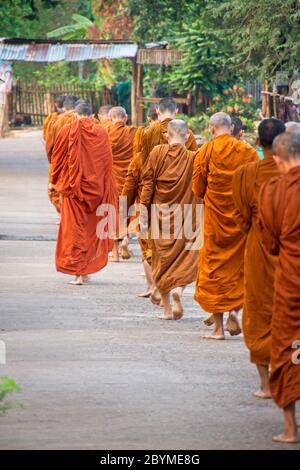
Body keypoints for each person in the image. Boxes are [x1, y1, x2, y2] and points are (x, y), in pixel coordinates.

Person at [193, 112, 258, 339]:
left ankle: (218, 329)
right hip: (240, 221)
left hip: (215, 221)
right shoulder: (248, 151)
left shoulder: (206, 151)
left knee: (214, 270)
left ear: (211, 129)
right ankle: (235, 311)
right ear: (231, 128)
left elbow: (198, 189)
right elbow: (256, 185)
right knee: (240, 267)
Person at [232, 118, 286, 398]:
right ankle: (289, 380)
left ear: (258, 142)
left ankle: (266, 384)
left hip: (258, 250)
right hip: (292, 255)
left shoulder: (245, 173)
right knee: (290, 316)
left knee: (258, 311)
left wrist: (255, 231)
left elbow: (240, 217)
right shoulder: (292, 176)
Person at [259, 131, 300, 443]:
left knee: (287, 348)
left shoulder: (274, 189)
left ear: (276, 159)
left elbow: (271, 243)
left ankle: (290, 429)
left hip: (290, 279)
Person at [50, 101, 118, 285]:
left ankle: (78, 274)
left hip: (72, 190)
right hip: (96, 190)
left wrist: (54, 181)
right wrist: (105, 187)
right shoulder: (102, 132)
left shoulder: (67, 130)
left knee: (74, 230)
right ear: (92, 115)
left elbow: (57, 160)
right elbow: (106, 162)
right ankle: (85, 271)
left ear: (75, 114)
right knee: (90, 230)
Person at [140, 120, 199, 320]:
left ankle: (166, 311)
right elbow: (202, 187)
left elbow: (147, 183)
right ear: (188, 136)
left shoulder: (157, 152)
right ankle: (179, 291)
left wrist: (143, 213)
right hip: (188, 216)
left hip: (160, 215)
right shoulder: (194, 157)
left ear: (166, 136)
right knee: (186, 258)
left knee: (161, 260)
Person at [122, 106, 159, 297]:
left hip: (143, 207)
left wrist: (123, 214)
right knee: (167, 247)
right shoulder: (178, 156)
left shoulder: (139, 158)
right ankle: (167, 289)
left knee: (147, 248)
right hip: (174, 207)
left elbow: (129, 187)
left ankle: (151, 286)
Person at [107, 106, 136, 262]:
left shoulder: (107, 133)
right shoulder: (134, 133)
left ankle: (115, 253)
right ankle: (126, 238)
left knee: (113, 213)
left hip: (113, 179)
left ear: (110, 119)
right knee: (127, 211)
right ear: (126, 118)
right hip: (130, 179)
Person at [141, 97, 198, 166]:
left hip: (155, 176)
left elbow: (144, 161)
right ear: (176, 111)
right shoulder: (187, 133)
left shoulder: (150, 131)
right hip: (182, 176)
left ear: (158, 111)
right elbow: (196, 162)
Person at [43, 95, 64, 213]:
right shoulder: (95, 124)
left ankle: (62, 215)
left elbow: (47, 140)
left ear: (56, 104)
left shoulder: (54, 120)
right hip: (79, 164)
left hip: (58, 160)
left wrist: (52, 160)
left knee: (55, 189)